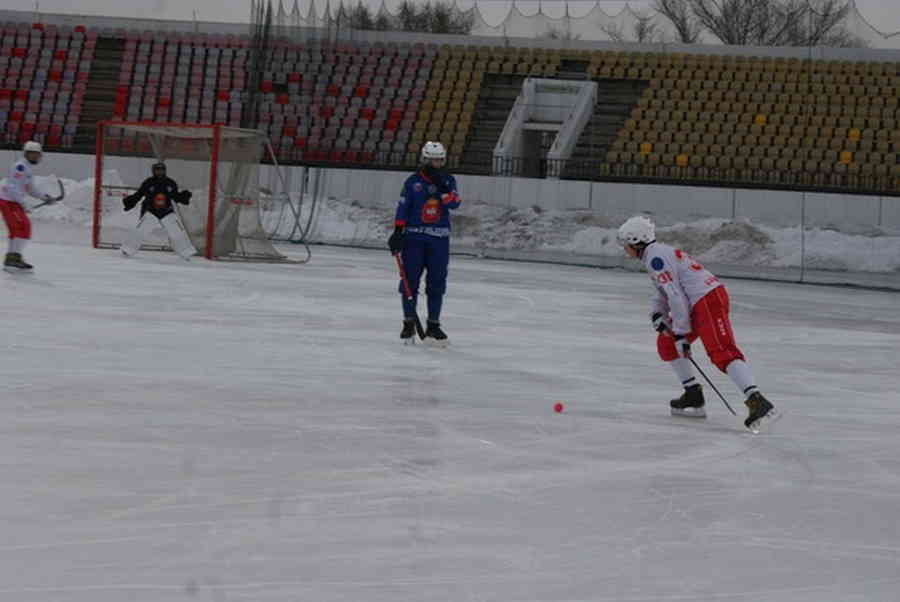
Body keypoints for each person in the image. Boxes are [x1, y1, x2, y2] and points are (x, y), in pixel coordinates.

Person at [617, 215, 779, 432]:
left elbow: (676, 297)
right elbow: (665, 291)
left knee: (721, 351)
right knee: (667, 344)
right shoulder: (654, 255)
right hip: (696, 302)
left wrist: (682, 334)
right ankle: (693, 394)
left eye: (625, 243)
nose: (624, 248)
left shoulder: (656, 257)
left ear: (637, 241)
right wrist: (658, 314)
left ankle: (756, 400)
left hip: (707, 299)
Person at [388, 141, 462, 346]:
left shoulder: (448, 179)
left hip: (439, 239)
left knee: (437, 282)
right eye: (431, 160)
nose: (435, 163)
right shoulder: (413, 181)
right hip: (414, 238)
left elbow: (454, 204)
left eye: (439, 160)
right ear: (424, 159)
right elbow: (403, 207)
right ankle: (409, 322)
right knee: (409, 282)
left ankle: (433, 324)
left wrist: (443, 187)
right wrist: (398, 232)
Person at [0, 141, 59, 272]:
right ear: (28, 153)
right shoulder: (20, 167)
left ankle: (13, 258)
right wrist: (24, 204)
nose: (38, 157)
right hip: (8, 201)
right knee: (22, 226)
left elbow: (30, 189)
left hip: (13, 201)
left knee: (20, 228)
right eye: (35, 154)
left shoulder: (27, 168)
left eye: (39, 155)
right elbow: (12, 187)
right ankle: (12, 259)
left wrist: (45, 197)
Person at [120, 162, 196, 259]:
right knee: (140, 231)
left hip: (167, 211)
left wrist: (184, 196)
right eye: (157, 170)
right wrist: (130, 202)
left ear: (165, 171)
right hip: (151, 211)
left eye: (162, 170)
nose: (160, 172)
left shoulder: (170, 183)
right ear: (153, 171)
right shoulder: (148, 182)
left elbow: (176, 197)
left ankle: (186, 252)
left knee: (177, 231)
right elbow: (139, 194)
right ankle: (127, 250)